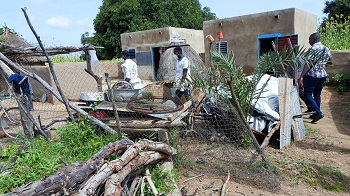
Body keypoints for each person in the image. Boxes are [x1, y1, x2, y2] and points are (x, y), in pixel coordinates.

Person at [299, 32, 332, 123]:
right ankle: (315, 113)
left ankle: (318, 112)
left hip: (313, 75)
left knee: (307, 94)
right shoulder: (326, 48)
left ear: (314, 39)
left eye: (310, 39)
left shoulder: (313, 49)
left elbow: (308, 64)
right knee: (317, 95)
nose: (309, 41)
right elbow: (329, 61)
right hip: (323, 75)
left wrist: (301, 76)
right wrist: (322, 66)